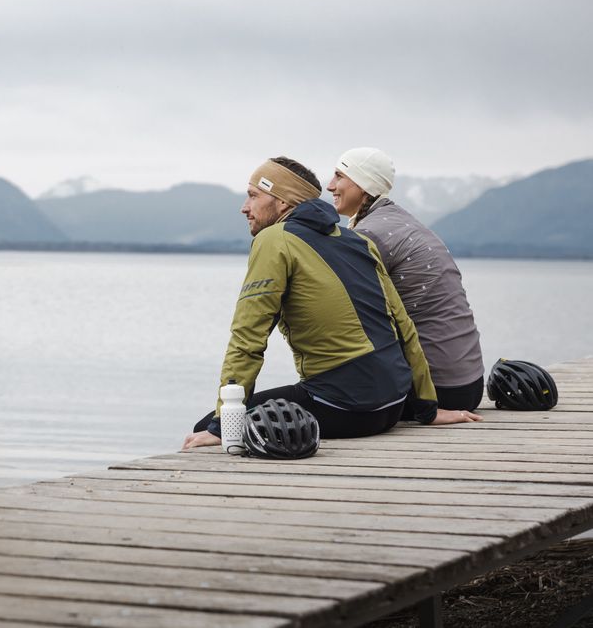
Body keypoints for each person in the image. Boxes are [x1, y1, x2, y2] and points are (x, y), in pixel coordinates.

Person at [183, 157, 479, 450]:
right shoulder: (358, 241)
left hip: (343, 408)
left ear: (283, 202)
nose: (244, 207)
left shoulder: (274, 240)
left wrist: (222, 425)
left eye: (253, 196)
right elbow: (403, 327)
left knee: (208, 429)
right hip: (393, 406)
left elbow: (247, 337)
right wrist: (427, 408)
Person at [327, 147, 485, 413]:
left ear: (364, 185)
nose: (330, 185)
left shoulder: (370, 234)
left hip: (434, 392)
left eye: (339, 176)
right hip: (469, 384)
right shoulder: (401, 222)